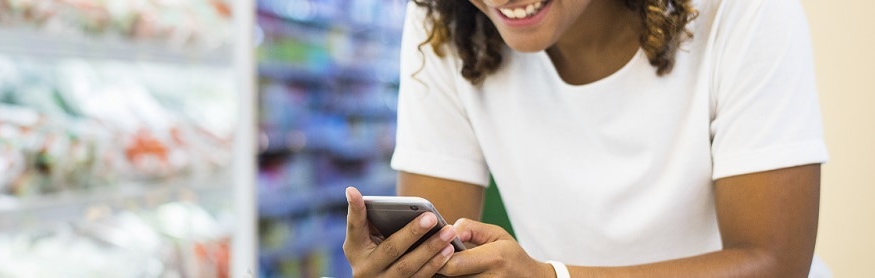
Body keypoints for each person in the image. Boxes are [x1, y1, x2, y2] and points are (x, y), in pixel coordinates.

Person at [343, 0, 831, 277]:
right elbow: (439, 247)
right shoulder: (444, 19)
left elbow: (774, 263)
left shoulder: (742, 11)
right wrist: (407, 270)